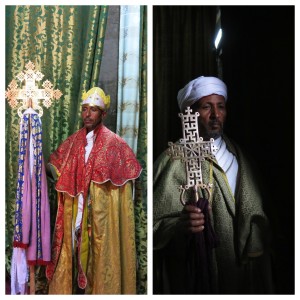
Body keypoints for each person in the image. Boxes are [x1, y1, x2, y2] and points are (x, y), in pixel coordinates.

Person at [153, 76, 274, 294]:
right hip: (196, 272)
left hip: (240, 270)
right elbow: (151, 226)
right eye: (206, 107)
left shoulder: (241, 158)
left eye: (221, 107)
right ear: (191, 112)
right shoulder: (171, 161)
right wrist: (180, 226)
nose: (215, 115)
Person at [45, 87, 142, 294]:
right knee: (72, 258)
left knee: (98, 261)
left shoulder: (115, 144)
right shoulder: (73, 142)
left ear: (103, 114)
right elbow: (55, 165)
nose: (87, 115)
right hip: (76, 214)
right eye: (84, 109)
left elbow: (125, 186)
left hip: (100, 218)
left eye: (93, 110)